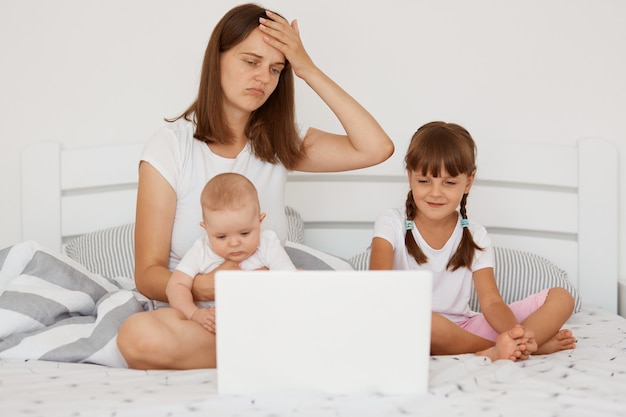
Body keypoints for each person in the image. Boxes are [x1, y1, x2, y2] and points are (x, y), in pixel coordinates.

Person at [117, 3, 394, 369]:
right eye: (251, 62)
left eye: (276, 69)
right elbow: (148, 273)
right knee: (137, 337)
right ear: (216, 60)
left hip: (271, 310)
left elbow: (376, 148)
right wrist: (206, 286)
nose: (263, 78)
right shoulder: (170, 146)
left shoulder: (280, 143)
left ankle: (273, 350)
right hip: (198, 316)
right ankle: (288, 353)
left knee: (365, 308)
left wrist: (306, 68)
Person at [369, 121, 576, 361]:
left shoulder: (476, 235)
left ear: (468, 182)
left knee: (562, 297)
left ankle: (516, 344)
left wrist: (513, 332)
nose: (435, 192)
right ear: (410, 177)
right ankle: (521, 347)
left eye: (449, 182)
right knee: (424, 319)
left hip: (465, 328)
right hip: (408, 324)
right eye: (424, 181)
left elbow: (491, 302)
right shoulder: (390, 222)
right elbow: (379, 288)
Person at [166, 173, 296, 333]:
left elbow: (290, 281)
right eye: (221, 237)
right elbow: (176, 285)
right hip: (213, 327)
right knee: (162, 325)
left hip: (262, 323)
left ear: (259, 221)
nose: (234, 243)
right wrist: (194, 314)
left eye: (245, 233)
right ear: (206, 229)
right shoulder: (201, 250)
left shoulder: (268, 244)